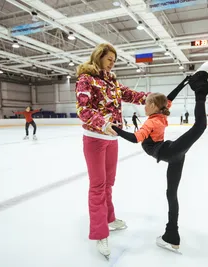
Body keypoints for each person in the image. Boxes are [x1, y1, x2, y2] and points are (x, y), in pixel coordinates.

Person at [111, 61, 208, 253]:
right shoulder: (160, 114)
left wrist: (116, 129)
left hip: (170, 152)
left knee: (200, 126)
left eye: (146, 103)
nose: (144, 106)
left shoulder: (150, 122)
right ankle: (171, 236)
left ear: (153, 106)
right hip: (174, 156)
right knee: (171, 194)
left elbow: (135, 138)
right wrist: (184, 81)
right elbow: (169, 98)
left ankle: (201, 89)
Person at [75, 43, 150, 260]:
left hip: (113, 137)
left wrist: (152, 98)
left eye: (114, 60)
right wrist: (102, 123)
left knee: (109, 182)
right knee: (98, 186)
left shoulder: (112, 80)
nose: (112, 62)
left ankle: (109, 218)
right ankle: (100, 232)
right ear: (98, 57)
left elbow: (130, 95)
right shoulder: (86, 79)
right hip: (95, 138)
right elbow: (83, 109)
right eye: (109, 59)